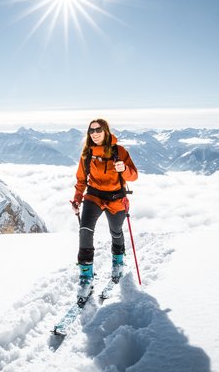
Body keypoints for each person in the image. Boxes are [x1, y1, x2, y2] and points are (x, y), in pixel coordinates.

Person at [70, 118, 138, 305]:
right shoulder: (87, 154)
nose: (95, 133)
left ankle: (117, 262)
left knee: (116, 231)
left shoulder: (119, 151)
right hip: (94, 196)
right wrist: (77, 199)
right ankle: (86, 278)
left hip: (116, 198)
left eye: (98, 129)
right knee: (85, 231)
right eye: (91, 130)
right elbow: (81, 180)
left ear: (106, 131)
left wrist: (123, 169)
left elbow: (134, 175)